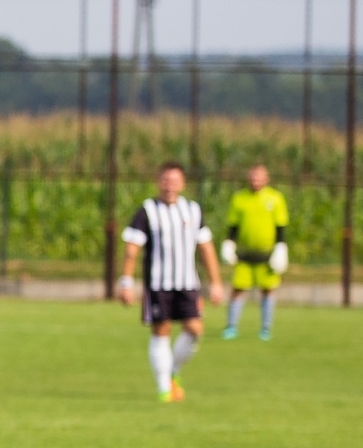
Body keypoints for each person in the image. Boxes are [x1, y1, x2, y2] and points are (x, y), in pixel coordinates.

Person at [118, 161, 224, 403]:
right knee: (162, 331)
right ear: (158, 182)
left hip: (187, 283)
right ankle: (164, 387)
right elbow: (132, 249)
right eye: (165, 181)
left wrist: (216, 282)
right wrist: (126, 281)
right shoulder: (147, 211)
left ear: (183, 184)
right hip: (158, 284)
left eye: (174, 181)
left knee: (195, 330)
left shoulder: (193, 210)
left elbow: (206, 248)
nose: (169, 186)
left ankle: (171, 372)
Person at [220, 164, 291, 341]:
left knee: (268, 289)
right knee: (238, 289)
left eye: (259, 177)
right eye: (253, 177)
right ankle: (231, 327)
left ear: (266, 179)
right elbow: (233, 225)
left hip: (267, 254)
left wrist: (281, 247)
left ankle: (265, 328)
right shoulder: (239, 198)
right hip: (244, 254)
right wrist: (229, 243)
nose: (255, 180)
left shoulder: (275, 198)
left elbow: (280, 225)